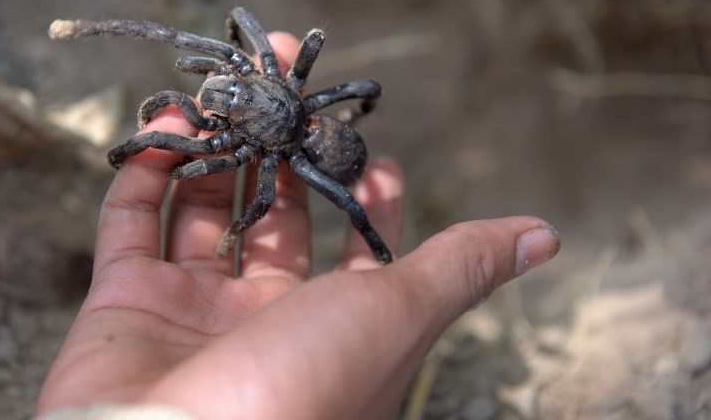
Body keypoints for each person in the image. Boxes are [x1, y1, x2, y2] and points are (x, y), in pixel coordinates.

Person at [35, 32, 560, 420]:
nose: (220, 88)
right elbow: (355, 81)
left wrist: (235, 226)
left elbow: (252, 192)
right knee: (189, 139)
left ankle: (380, 258)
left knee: (341, 201)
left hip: (316, 149)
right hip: (308, 125)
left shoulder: (255, 145)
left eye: (231, 84)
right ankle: (377, 252)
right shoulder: (258, 72)